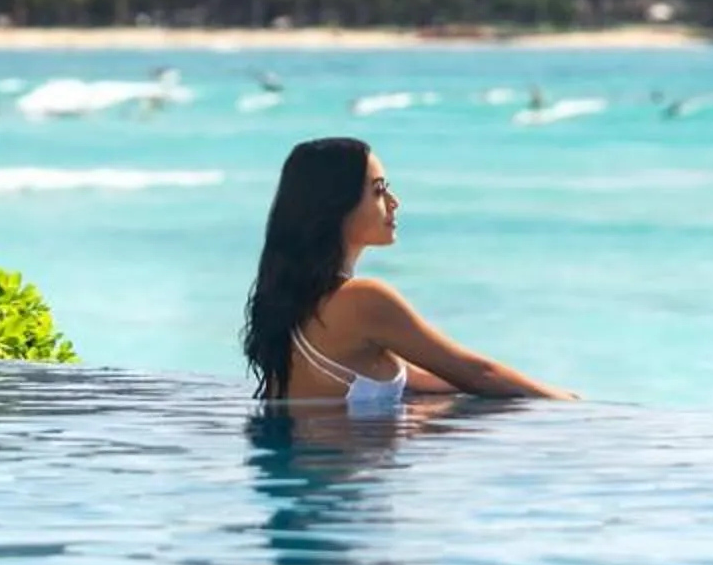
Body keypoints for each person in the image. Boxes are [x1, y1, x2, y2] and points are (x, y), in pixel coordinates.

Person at [241, 137, 576, 413]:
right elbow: (478, 374)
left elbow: (430, 376)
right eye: (378, 190)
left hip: (311, 467)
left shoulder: (298, 302)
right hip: (344, 471)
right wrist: (570, 405)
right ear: (336, 205)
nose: (394, 202)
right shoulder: (363, 300)